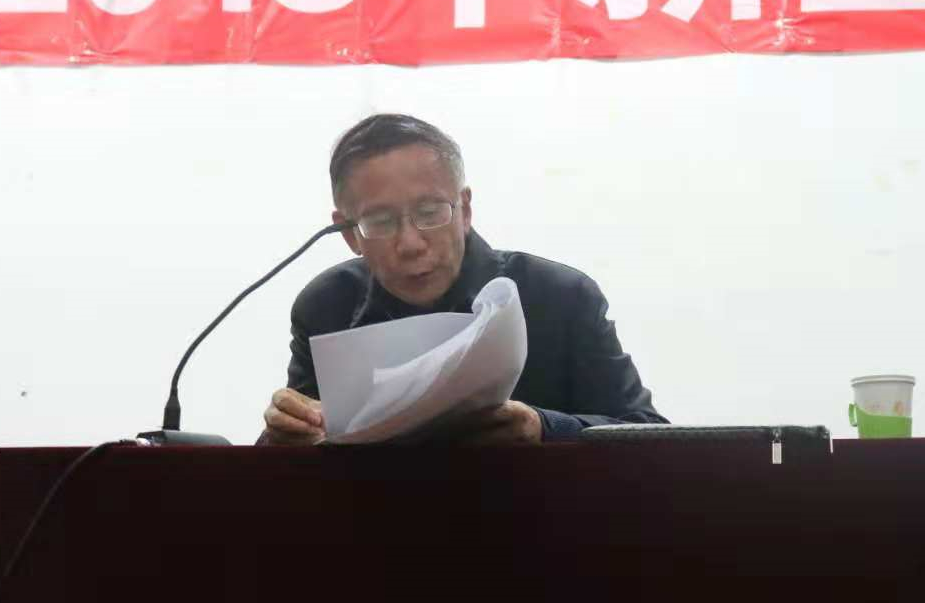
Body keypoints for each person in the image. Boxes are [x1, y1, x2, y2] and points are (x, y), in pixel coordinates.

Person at [260, 114, 666, 445]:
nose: (411, 243)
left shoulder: (561, 296)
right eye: (380, 222)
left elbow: (648, 434)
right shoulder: (327, 305)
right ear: (349, 233)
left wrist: (545, 428)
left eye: (430, 212)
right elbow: (292, 458)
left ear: (465, 208)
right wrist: (284, 434)